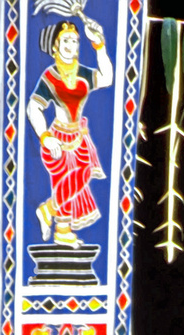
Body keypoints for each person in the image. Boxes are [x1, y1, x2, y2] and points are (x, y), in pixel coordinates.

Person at [27, 17, 112, 247]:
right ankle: (62, 231)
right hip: (58, 137)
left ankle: (47, 211)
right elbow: (33, 106)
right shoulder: (50, 77)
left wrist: (100, 46)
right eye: (65, 40)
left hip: (79, 137)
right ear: (55, 45)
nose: (70, 45)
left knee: (81, 175)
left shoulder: (83, 73)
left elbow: (107, 78)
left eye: (74, 41)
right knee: (61, 181)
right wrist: (45, 136)